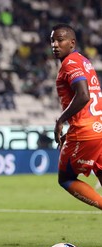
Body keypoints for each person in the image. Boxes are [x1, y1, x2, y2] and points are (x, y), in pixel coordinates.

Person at [51, 23, 102, 210]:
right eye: (52, 40)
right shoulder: (84, 61)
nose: (55, 44)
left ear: (72, 43)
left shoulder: (70, 63)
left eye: (60, 40)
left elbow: (83, 96)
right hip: (99, 129)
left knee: (65, 178)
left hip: (85, 131)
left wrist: (61, 120)